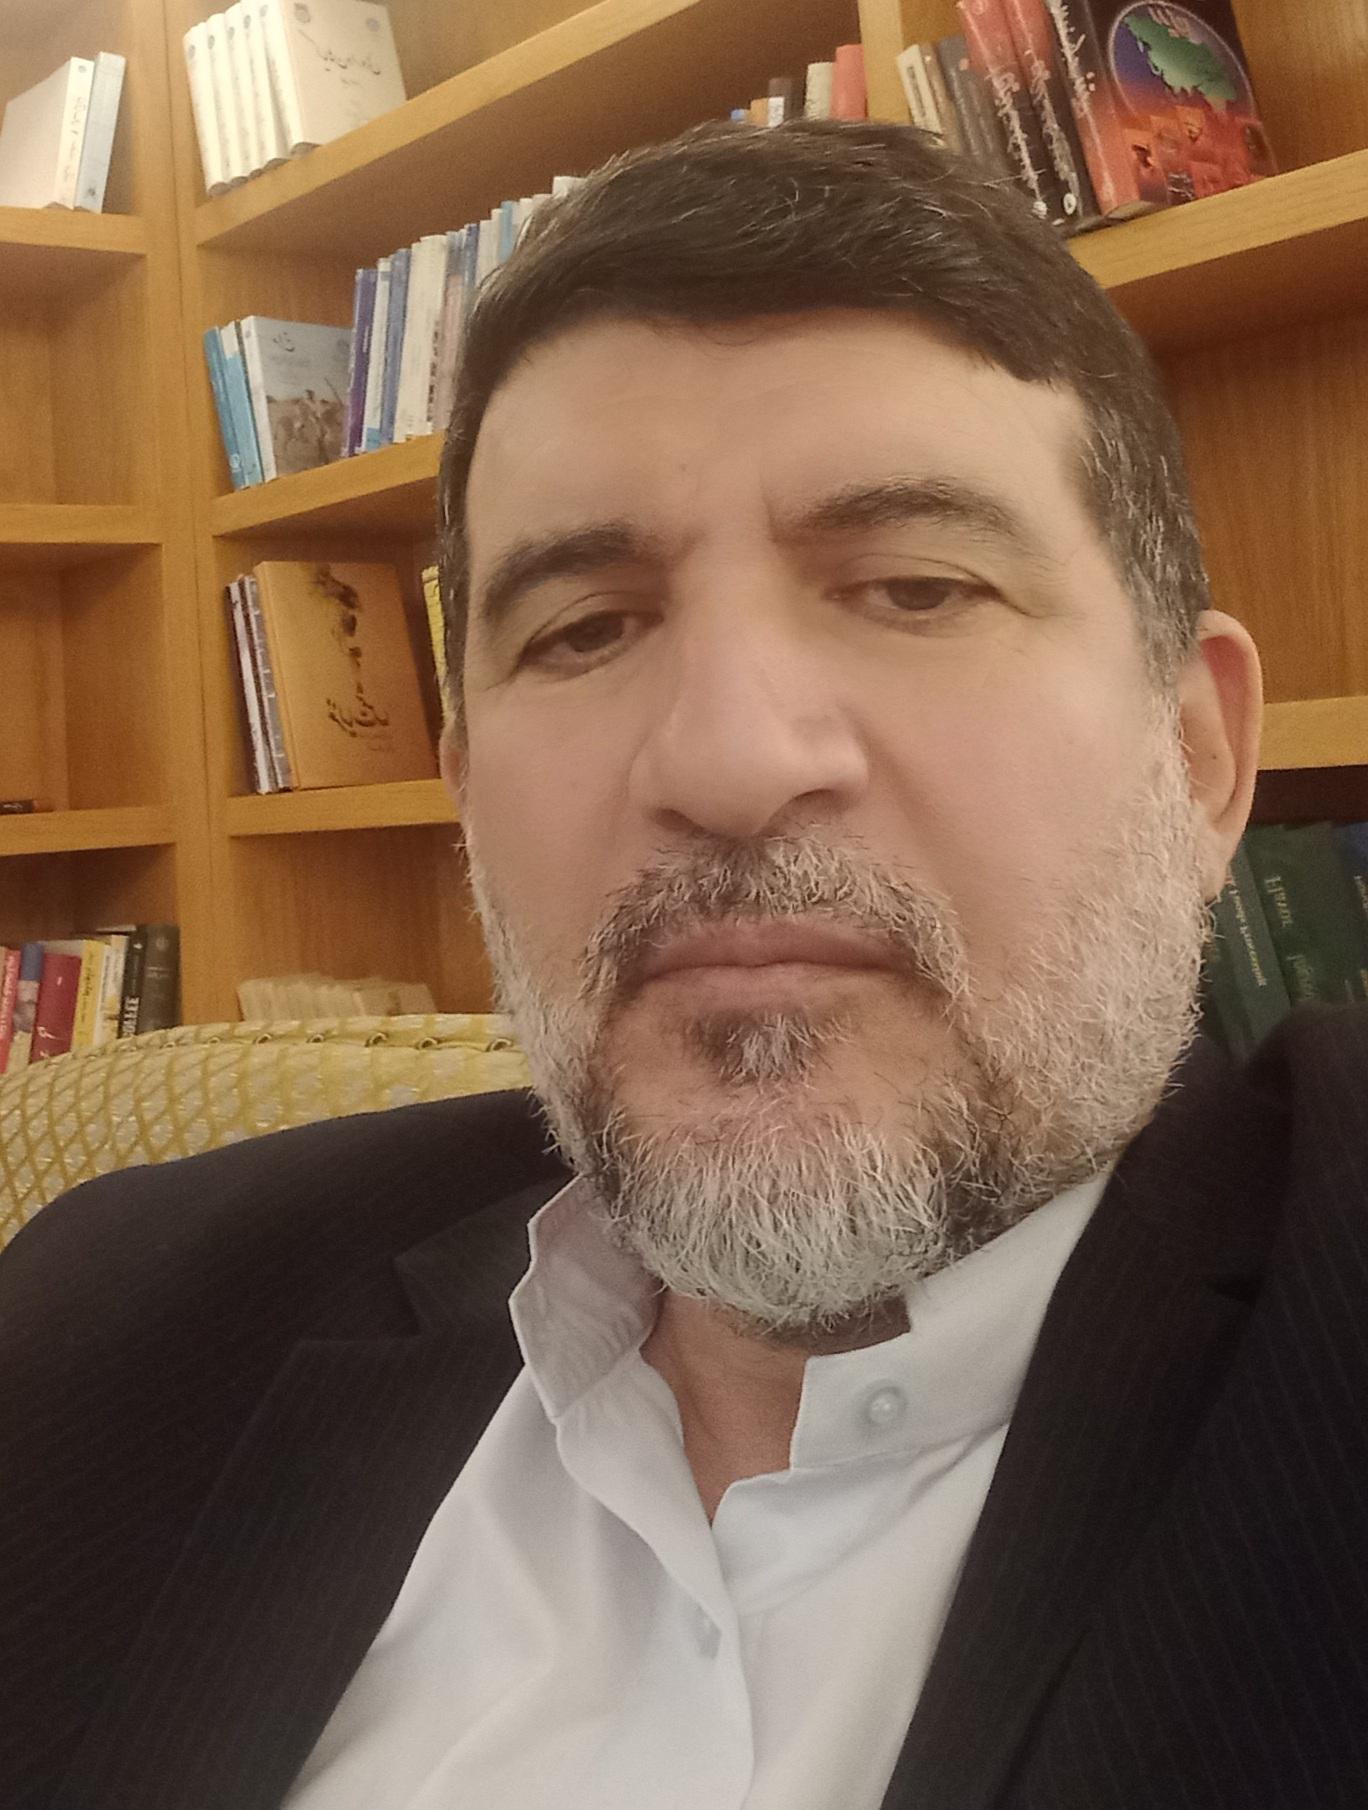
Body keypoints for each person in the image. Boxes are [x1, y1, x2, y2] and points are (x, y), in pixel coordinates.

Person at [3, 118, 1366, 1810]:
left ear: (1200, 758)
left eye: (914, 587)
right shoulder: (113, 1321)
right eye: (584, 629)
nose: (727, 758)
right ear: (468, 800)